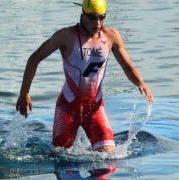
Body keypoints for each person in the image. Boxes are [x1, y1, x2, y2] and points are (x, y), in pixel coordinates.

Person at [16, 0, 153, 152]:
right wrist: (24, 92)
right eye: (93, 18)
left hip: (95, 108)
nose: (98, 22)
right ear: (83, 17)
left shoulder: (112, 37)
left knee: (108, 164)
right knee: (62, 164)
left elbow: (128, 67)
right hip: (68, 107)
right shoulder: (66, 36)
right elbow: (34, 58)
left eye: (102, 17)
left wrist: (141, 83)